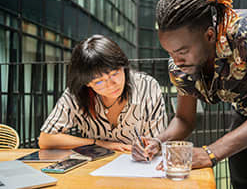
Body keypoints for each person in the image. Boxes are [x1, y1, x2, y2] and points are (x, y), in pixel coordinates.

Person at [132, 0, 247, 188]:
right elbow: (184, 119)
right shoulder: (179, 67)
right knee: (242, 182)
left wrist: (210, 152)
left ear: (209, 35)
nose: (175, 61)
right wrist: (158, 141)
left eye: (182, 51)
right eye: (170, 52)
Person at [39, 34, 168, 152]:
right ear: (87, 83)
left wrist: (149, 149)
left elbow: (158, 141)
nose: (112, 85)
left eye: (115, 73)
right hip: (94, 167)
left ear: (124, 67)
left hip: (137, 166)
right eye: (99, 82)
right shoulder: (77, 94)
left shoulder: (147, 86)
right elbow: (46, 139)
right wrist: (99, 143)